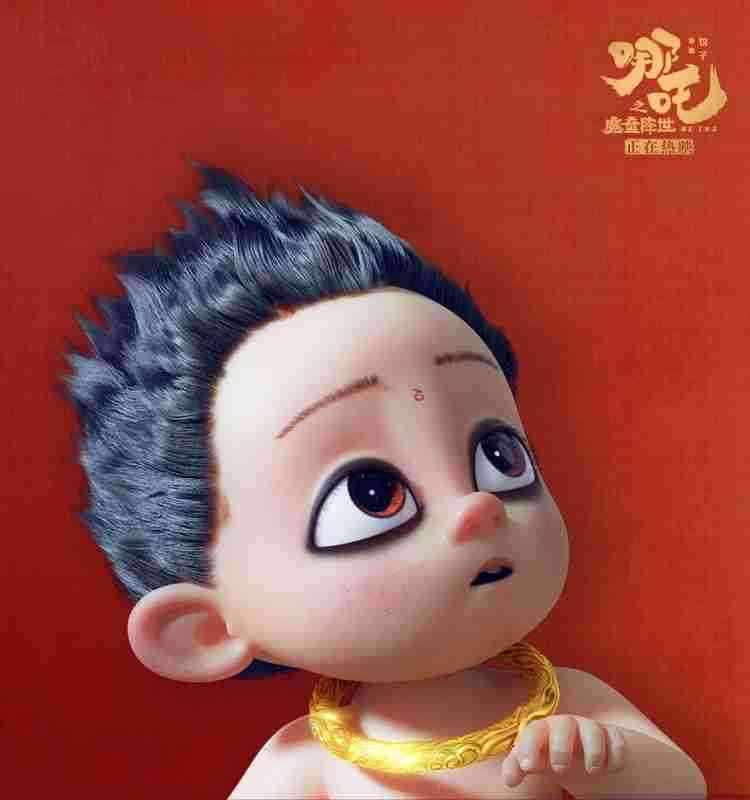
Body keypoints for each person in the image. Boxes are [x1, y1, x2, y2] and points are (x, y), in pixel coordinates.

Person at [61, 162, 707, 798]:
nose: (477, 507)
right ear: (207, 630)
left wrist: (609, 766)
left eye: (499, 457)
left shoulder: (573, 703)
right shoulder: (302, 765)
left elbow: (685, 787)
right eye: (373, 497)